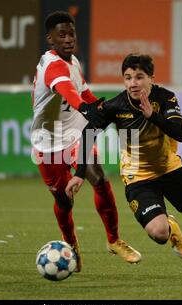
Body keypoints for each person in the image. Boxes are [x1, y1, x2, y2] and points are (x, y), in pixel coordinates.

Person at [66, 54, 182, 282]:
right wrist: (79, 175)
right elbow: (88, 133)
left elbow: (181, 134)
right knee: (159, 234)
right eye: (128, 78)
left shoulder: (165, 98)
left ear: (151, 78)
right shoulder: (115, 105)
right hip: (138, 176)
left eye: (139, 77)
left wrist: (152, 115)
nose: (133, 83)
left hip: (172, 170)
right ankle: (170, 227)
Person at [30, 12, 141, 272]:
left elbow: (81, 91)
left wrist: (100, 106)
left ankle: (114, 240)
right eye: (62, 35)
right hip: (48, 144)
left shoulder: (73, 62)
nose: (69, 39)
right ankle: (70, 244)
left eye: (72, 34)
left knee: (99, 178)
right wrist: (84, 106)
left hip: (75, 134)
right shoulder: (52, 65)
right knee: (64, 201)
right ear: (50, 39)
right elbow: (66, 90)